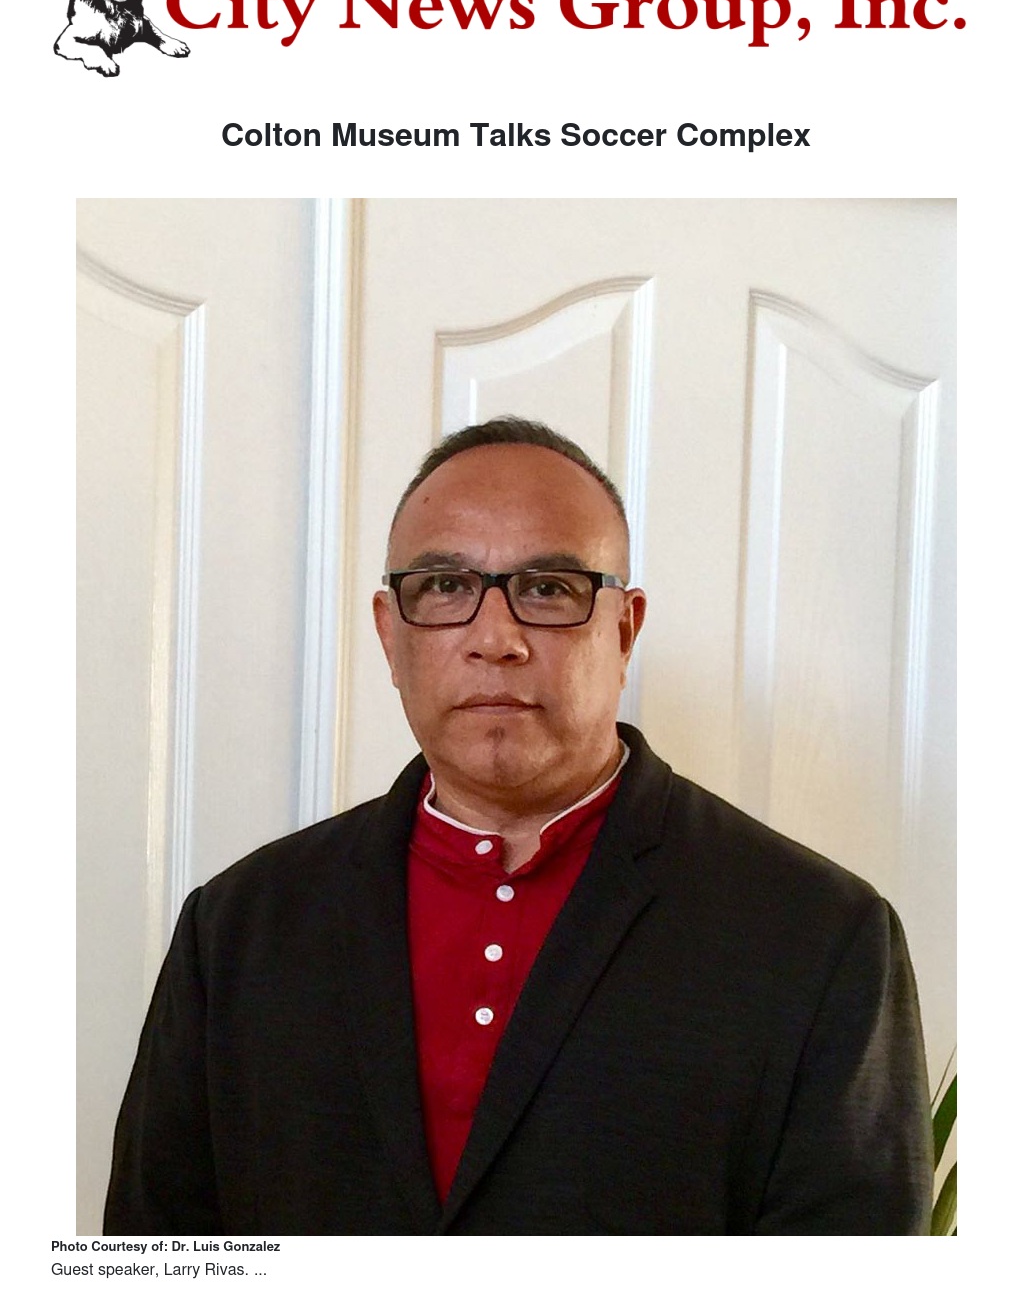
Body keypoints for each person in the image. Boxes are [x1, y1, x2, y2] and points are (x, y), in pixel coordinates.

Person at [104, 417, 933, 1235]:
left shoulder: (820, 937)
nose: (494, 639)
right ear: (389, 635)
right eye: (444, 587)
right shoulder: (239, 928)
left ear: (624, 630)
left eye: (548, 589)